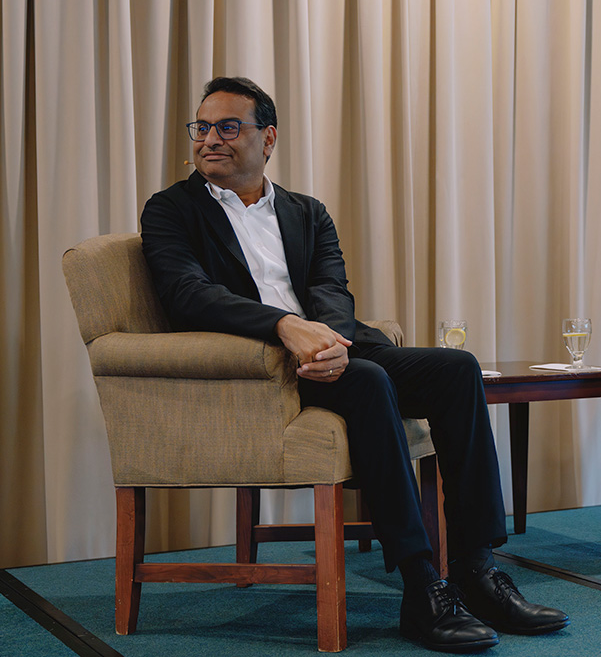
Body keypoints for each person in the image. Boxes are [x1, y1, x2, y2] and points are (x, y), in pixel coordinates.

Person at [141, 76, 568, 651]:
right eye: (202, 127)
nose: (210, 139)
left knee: (456, 368)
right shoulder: (172, 209)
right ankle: (421, 588)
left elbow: (331, 288)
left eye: (228, 127)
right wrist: (285, 329)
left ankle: (476, 568)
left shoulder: (306, 212)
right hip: (260, 366)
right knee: (368, 381)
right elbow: (186, 294)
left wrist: (330, 344)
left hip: (335, 350)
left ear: (267, 139)